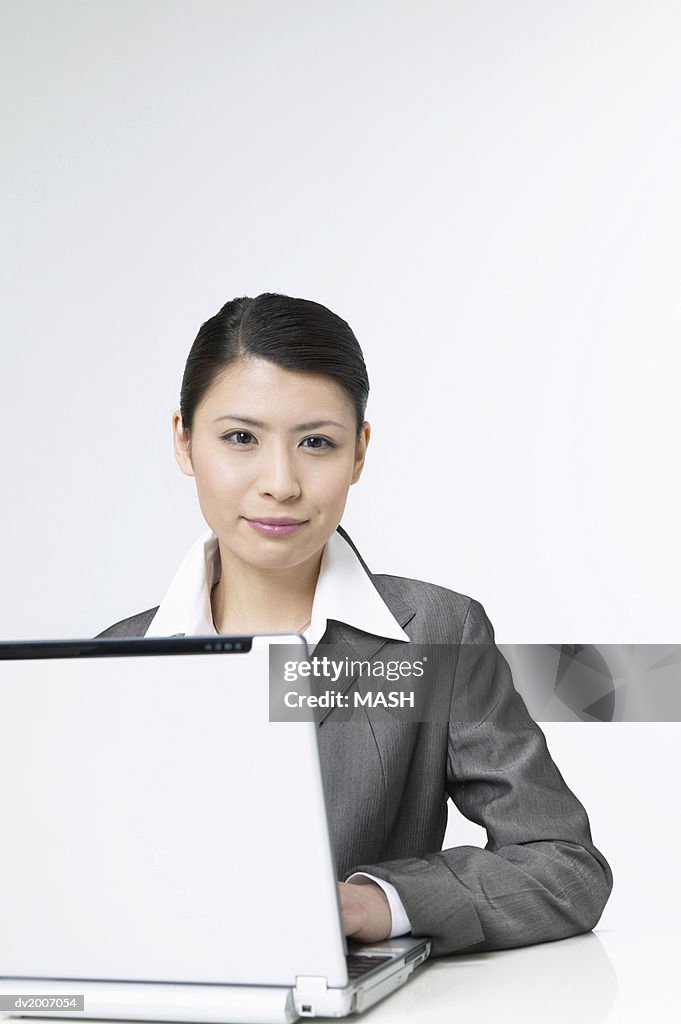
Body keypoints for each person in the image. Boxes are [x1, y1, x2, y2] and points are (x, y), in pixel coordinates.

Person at [97, 292, 613, 957]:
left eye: (316, 442)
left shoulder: (434, 634)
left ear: (359, 452)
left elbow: (564, 866)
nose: (280, 482)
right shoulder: (112, 661)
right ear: (184, 441)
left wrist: (380, 901)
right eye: (240, 438)